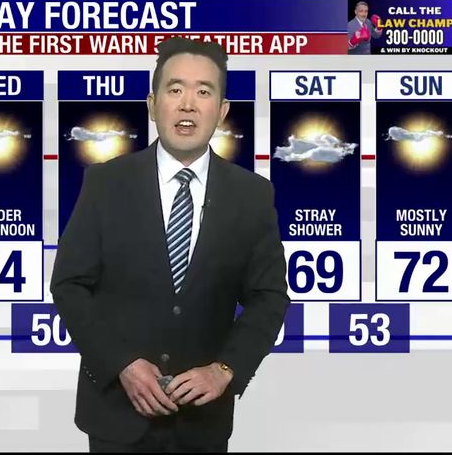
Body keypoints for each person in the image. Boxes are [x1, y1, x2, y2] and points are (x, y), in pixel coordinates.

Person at [50, 36, 290, 452]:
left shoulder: (252, 196)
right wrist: (122, 364)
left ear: (222, 110)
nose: (188, 104)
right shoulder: (106, 184)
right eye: (175, 89)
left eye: (204, 92)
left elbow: (269, 298)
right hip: (115, 418)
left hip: (202, 424)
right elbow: (69, 284)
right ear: (152, 103)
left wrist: (225, 369)